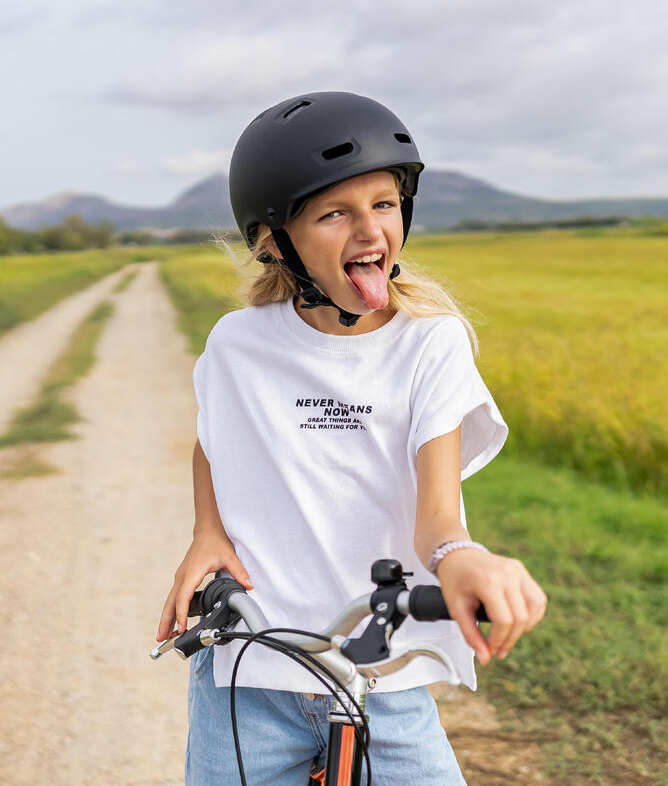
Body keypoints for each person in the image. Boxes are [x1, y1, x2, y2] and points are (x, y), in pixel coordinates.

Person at [156, 91, 547, 785]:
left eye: (385, 204)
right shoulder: (238, 345)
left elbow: (438, 516)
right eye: (336, 213)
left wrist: (461, 557)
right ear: (275, 240)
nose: (371, 231)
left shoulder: (432, 345)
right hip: (249, 677)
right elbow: (214, 437)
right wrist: (206, 534)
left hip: (381, 680)